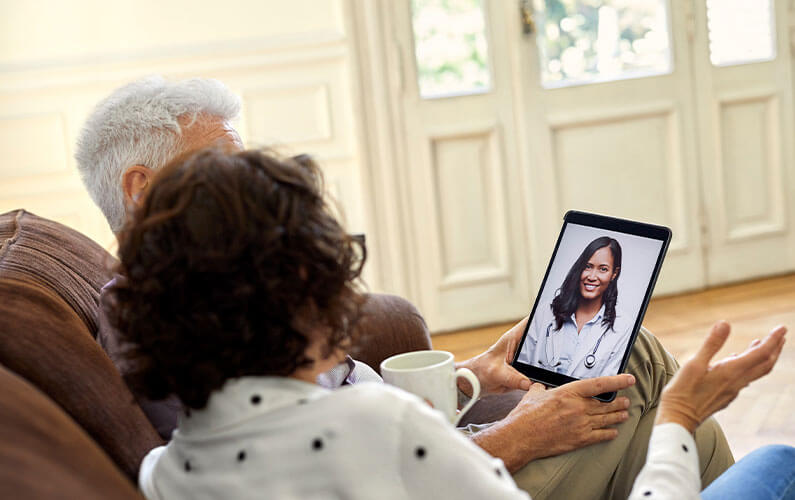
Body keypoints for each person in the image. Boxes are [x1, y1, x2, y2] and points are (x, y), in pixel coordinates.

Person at [75, 76, 735, 499]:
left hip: (422, 451)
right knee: (684, 422)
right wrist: (673, 419)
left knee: (649, 383)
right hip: (449, 468)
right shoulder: (369, 425)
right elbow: (371, 455)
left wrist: (470, 377)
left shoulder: (166, 473)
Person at [518, 236, 633, 378]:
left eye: (603, 269)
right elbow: (521, 368)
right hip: (535, 394)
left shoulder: (623, 326)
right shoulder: (545, 312)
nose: (592, 276)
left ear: (614, 274)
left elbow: (606, 385)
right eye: (587, 266)